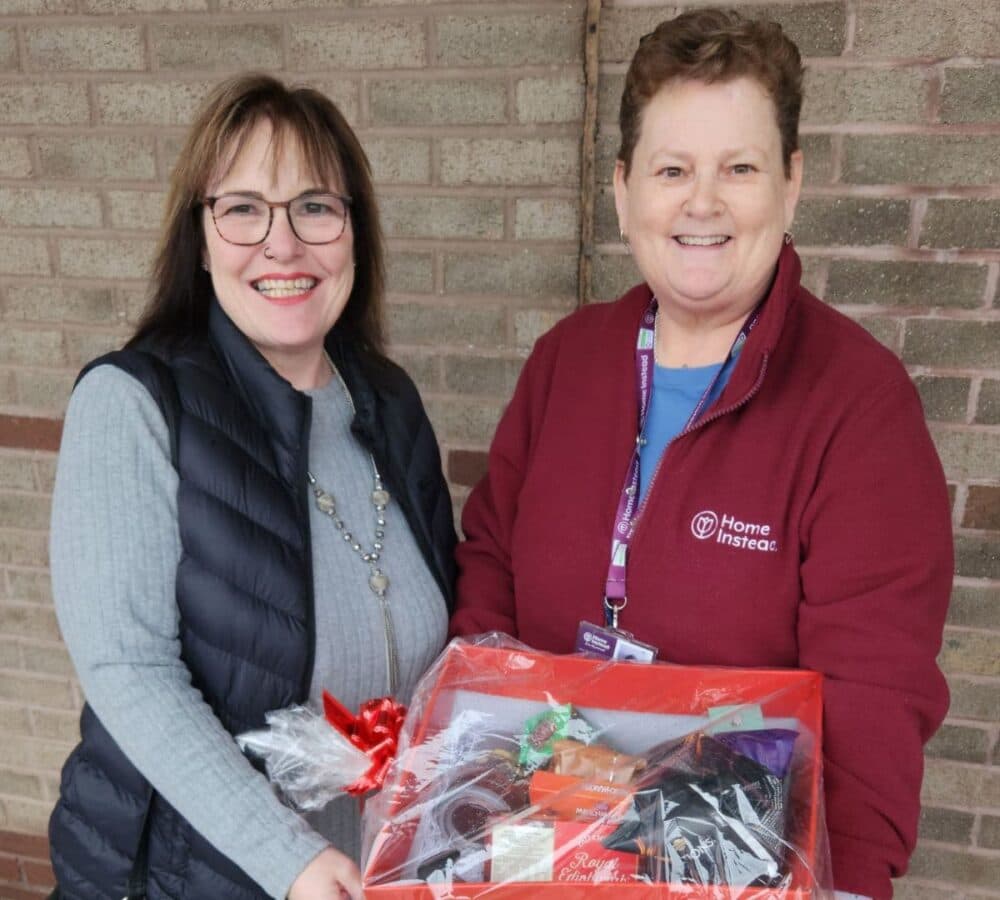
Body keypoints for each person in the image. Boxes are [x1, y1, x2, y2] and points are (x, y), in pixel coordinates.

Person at [450, 10, 951, 900]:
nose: (703, 202)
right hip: (546, 850)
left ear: (791, 185)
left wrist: (846, 885)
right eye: (672, 169)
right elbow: (489, 570)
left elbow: (875, 696)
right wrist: (469, 798)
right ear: (622, 190)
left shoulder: (859, 406)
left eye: (741, 169)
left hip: (738, 872)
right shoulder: (567, 361)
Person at [47, 73, 455, 900]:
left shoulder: (389, 402)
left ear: (354, 236)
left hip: (378, 872)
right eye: (242, 209)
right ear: (200, 239)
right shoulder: (133, 404)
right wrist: (289, 859)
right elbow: (129, 669)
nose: (282, 244)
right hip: (195, 876)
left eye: (315, 207)